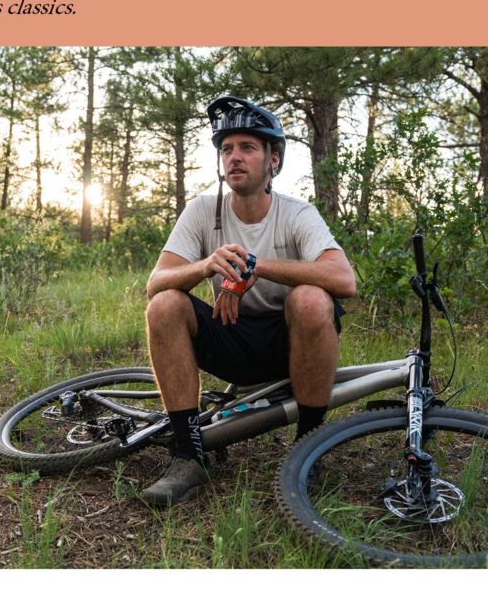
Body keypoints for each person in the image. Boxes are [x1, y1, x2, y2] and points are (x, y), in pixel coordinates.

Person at [140, 94, 357, 506]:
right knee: (165, 304)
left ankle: (308, 448)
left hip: (290, 347)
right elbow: (157, 282)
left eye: (248, 147)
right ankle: (189, 456)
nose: (234, 157)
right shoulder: (203, 210)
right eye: (226, 149)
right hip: (230, 340)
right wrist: (205, 266)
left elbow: (343, 279)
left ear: (273, 160)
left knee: (312, 298)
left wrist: (259, 266)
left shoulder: (297, 213)